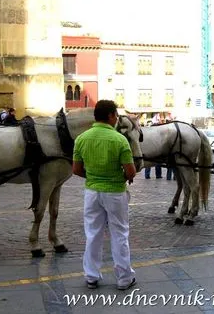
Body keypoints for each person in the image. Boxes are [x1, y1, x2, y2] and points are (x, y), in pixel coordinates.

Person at [72, 100, 137, 290]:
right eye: (115, 115)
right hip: (115, 193)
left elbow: (76, 169)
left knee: (93, 233)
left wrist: (93, 176)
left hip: (92, 192)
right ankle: (124, 278)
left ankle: (91, 276)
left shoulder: (82, 139)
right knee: (119, 233)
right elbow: (131, 171)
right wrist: (121, 176)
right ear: (110, 116)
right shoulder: (119, 140)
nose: (116, 118)